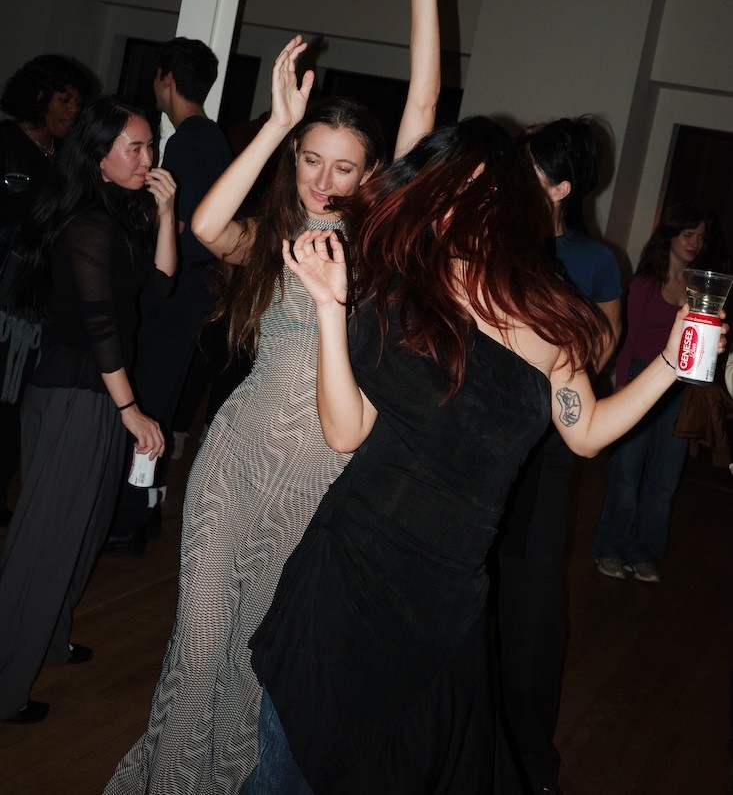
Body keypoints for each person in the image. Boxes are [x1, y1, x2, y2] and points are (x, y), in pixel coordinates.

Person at [241, 121, 724, 795]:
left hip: (445, 598)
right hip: (346, 574)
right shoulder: (403, 291)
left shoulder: (551, 319)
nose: (451, 210)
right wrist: (329, 307)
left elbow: (585, 432)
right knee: (285, 775)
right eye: (443, 194)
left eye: (469, 193)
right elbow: (345, 432)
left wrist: (672, 361)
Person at [104, 0, 459, 794]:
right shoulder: (276, 236)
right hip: (235, 457)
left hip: (317, 477)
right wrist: (273, 126)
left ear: (372, 176)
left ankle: (221, 777)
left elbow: (422, 110)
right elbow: (208, 222)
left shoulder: (381, 250)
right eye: (311, 161)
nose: (322, 182)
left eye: (344, 168)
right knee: (199, 639)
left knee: (254, 649)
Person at [0, 96, 175, 724]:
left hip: (97, 393)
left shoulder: (118, 215)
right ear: (98, 157)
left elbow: (160, 289)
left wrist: (167, 213)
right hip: (77, 392)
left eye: (151, 146)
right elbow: (102, 326)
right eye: (135, 148)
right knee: (45, 540)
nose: (148, 159)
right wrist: (131, 409)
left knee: (84, 526)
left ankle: (47, 638)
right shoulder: (88, 225)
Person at [495, 117, 622, 795]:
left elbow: (600, 349)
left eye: (530, 169)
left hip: (546, 444)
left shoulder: (594, 260)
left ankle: (528, 760)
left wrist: (553, 358)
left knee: (534, 604)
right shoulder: (494, 242)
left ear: (562, 187)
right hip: (483, 438)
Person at [105, 38, 232, 553]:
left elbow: (176, 227)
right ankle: (143, 511)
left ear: (168, 80)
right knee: (162, 396)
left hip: (178, 289)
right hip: (200, 287)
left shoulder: (185, 144)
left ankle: (128, 519)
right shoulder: (214, 138)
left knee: (148, 400)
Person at [593, 202, 707, 584]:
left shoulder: (698, 287)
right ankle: (611, 549)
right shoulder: (645, 282)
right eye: (688, 234)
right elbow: (625, 340)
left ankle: (644, 554)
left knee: (664, 479)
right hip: (641, 377)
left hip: (678, 386)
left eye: (700, 236)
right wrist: (622, 388)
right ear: (670, 236)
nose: (695, 242)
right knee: (627, 473)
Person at [0, 54, 91, 527]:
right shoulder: (6, 142)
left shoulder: (65, 156)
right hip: (6, 305)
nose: (73, 110)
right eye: (64, 99)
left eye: (78, 101)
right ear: (38, 97)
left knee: (15, 406)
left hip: (40, 307)